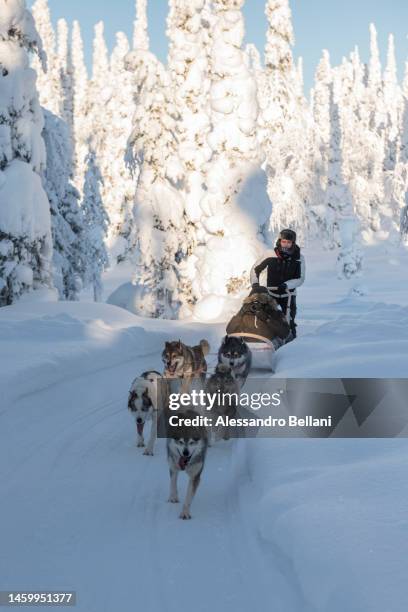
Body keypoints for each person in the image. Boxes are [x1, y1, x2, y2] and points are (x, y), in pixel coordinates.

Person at [249, 229, 305, 338]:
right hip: (271, 293)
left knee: (289, 320)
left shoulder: (298, 258)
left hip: (288, 294)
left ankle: (291, 341)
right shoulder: (270, 254)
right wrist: (255, 285)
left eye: (289, 242)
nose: (286, 244)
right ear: (279, 241)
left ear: (293, 243)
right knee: (267, 318)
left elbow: (300, 278)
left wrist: (286, 285)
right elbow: (255, 269)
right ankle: (266, 339)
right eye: (284, 241)